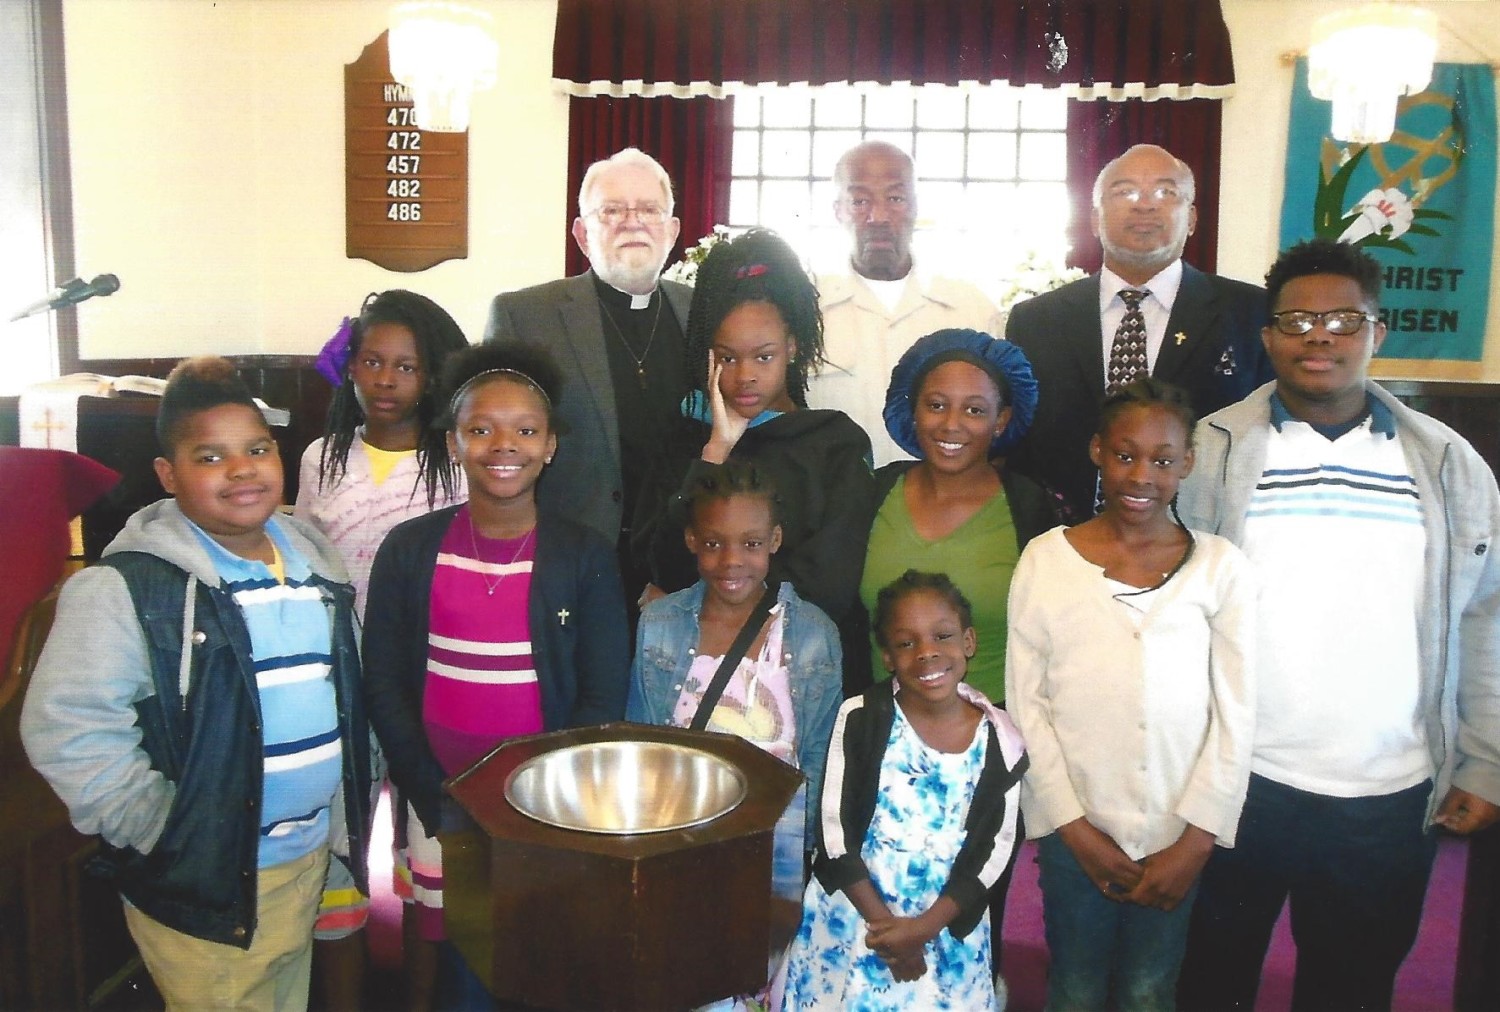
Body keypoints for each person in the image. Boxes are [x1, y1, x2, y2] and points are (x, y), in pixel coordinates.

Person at [1175, 238, 1500, 1011]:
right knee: (1210, 984)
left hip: (1388, 796)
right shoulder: (1210, 452)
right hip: (1239, 786)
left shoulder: (1449, 464)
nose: (1318, 336)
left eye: (1343, 320)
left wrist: (1485, 759)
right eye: (1296, 320)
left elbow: (1485, 613)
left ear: (1377, 332)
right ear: (1268, 336)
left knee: (1351, 991)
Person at [21, 357, 374, 1011]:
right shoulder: (128, 588)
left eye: (257, 450)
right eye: (210, 457)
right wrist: (170, 832)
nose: (241, 470)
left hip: (306, 860)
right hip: (206, 880)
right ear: (168, 474)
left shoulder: (315, 564)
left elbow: (345, 698)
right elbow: (68, 727)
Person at [362, 342, 631, 1009]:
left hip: (545, 809)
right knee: (456, 956)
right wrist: (434, 794)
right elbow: (384, 680)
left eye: (525, 430)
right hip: (441, 798)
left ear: (551, 446)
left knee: (538, 956)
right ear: (452, 444)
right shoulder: (410, 550)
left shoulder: (585, 556)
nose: (503, 445)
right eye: (480, 429)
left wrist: (544, 798)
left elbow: (601, 694)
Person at [1005, 377, 1256, 1010]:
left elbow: (1235, 712)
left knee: (1150, 988)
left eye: (1162, 460)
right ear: (1097, 450)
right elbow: (1028, 706)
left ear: (1187, 463)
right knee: (1076, 984)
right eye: (1125, 455)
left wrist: (1197, 839)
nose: (1142, 475)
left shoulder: (1220, 568)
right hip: (1076, 831)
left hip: (1177, 833)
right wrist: (1073, 829)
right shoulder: (1045, 560)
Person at [295, 289, 469, 1010]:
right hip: (336, 682)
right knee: (340, 846)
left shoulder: (453, 459)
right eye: (373, 361)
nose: (387, 380)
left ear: (431, 377)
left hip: (423, 678)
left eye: (406, 366)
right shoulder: (322, 457)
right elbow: (306, 558)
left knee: (425, 848)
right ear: (351, 367)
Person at [626, 460, 842, 1010]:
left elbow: (818, 757)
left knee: (760, 983)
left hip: (772, 858)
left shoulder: (812, 635)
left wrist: (806, 860)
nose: (731, 561)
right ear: (691, 541)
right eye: (713, 544)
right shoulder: (660, 625)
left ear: (775, 541)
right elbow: (641, 745)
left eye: (750, 544)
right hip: (681, 848)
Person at [781, 571, 1027, 1011]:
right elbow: (834, 833)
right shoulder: (861, 718)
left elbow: (994, 851)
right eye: (906, 642)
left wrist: (922, 931)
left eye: (942, 636)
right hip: (857, 924)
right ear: (888, 657)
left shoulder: (1001, 740)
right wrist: (887, 930)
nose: (927, 652)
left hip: (944, 931)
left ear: (969, 641)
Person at [1006, 143, 1274, 544]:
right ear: (1094, 219)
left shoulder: (1251, 314)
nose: (1145, 205)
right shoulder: (1035, 321)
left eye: (1165, 192)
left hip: (1203, 546)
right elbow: (1019, 453)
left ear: (1192, 219)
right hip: (1062, 548)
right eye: (1125, 191)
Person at [639, 228, 874, 645]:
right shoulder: (685, 438)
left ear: (793, 347)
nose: (745, 375)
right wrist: (714, 452)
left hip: (800, 665)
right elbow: (662, 567)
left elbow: (827, 588)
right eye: (727, 358)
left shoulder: (835, 444)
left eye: (764, 356)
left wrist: (699, 602)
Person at [483, 147, 693, 604]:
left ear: (672, 230)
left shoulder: (700, 313)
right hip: (567, 562)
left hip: (683, 566)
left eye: (649, 210)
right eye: (612, 211)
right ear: (582, 234)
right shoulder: (526, 316)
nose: (632, 223)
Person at [806, 140, 1002, 467]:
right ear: (838, 211)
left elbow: (1002, 432)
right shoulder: (808, 310)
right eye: (860, 201)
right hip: (833, 498)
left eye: (895, 198)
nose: (878, 216)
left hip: (945, 497)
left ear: (915, 207)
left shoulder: (973, 311)